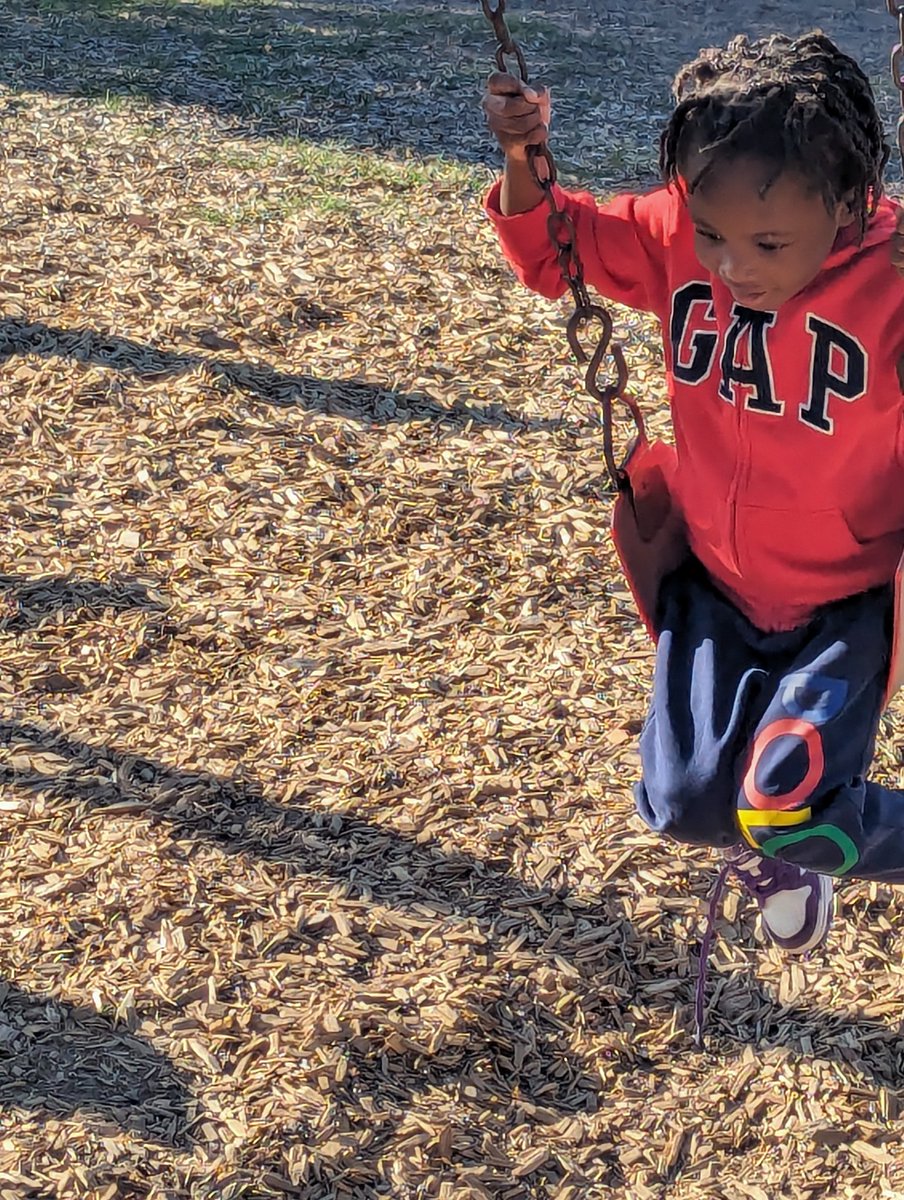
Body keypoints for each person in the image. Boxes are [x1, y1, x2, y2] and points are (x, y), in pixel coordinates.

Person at [482, 31, 904, 956]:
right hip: (714, 583)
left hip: (846, 600)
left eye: (766, 242)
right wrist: (523, 158)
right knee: (676, 807)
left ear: (844, 206)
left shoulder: (894, 276)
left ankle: (800, 838)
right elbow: (558, 252)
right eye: (710, 233)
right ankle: (787, 846)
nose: (730, 265)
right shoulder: (680, 239)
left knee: (788, 801)